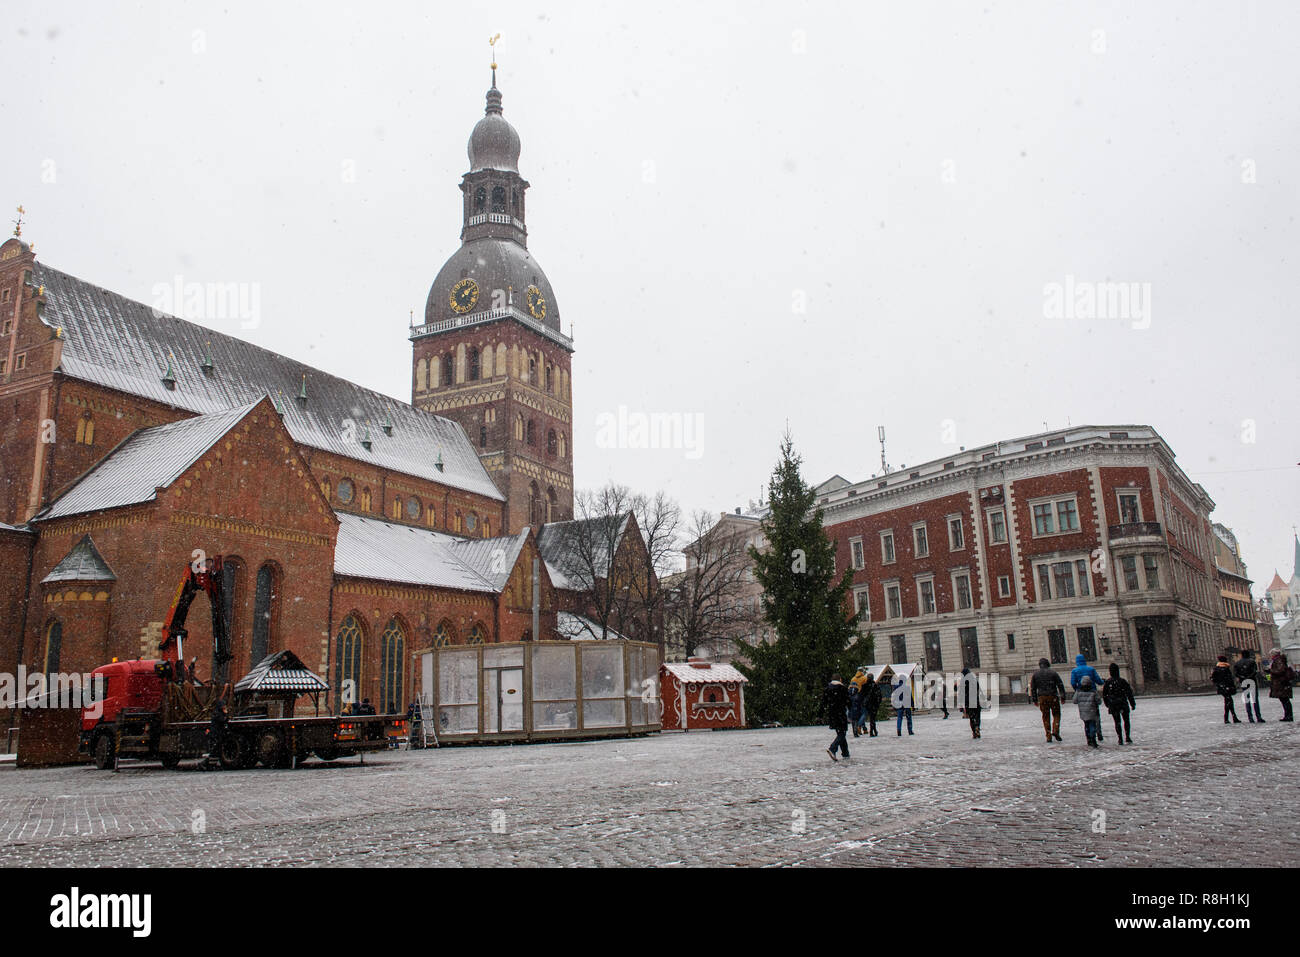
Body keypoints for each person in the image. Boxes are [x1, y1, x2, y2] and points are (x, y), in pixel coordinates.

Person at [1070, 654, 1107, 741]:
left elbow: (1072, 682)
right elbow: (1098, 680)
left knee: (1085, 716)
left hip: (1081, 694)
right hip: (1092, 693)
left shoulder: (1074, 671)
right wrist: (1102, 682)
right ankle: (1098, 732)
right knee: (1095, 715)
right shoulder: (1091, 669)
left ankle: (1089, 736)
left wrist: (1077, 689)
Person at [1030, 658, 1065, 743]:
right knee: (1056, 714)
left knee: (1045, 716)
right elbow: (1060, 685)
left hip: (1042, 697)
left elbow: (1033, 688)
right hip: (1053, 696)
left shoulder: (1036, 674)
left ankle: (1048, 735)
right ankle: (1056, 730)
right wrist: (1063, 697)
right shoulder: (1053, 672)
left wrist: (1034, 699)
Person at [1101, 662, 1137, 743]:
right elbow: (1129, 693)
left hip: (1113, 704)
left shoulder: (1108, 682)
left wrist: (1107, 704)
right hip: (1123, 703)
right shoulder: (1122, 681)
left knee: (1117, 722)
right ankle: (1127, 736)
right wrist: (1132, 703)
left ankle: (1120, 738)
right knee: (1126, 720)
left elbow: (1105, 695)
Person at [823, 674, 850, 761]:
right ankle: (833, 748)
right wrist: (851, 709)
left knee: (840, 733)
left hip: (832, 714)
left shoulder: (827, 689)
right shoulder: (843, 689)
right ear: (840, 679)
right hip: (841, 713)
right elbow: (848, 701)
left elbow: (823, 702)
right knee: (842, 733)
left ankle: (845, 753)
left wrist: (820, 715)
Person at [1233, 649, 1265, 722]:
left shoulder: (1238, 663)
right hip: (1252, 681)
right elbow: (1255, 671)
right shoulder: (1252, 661)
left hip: (1244, 682)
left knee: (1247, 700)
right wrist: (1249, 676)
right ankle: (1258, 716)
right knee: (1255, 700)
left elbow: (1236, 673)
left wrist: (1243, 677)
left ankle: (1250, 717)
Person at [1211, 655, 1241, 724]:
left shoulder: (1216, 668)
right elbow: (1229, 679)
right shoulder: (1225, 668)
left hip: (1222, 688)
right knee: (1229, 702)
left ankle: (1230, 718)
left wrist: (1218, 684)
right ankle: (1229, 718)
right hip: (1227, 687)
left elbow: (1213, 678)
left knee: (1228, 702)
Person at [1074, 676, 1102, 748]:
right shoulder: (1093, 691)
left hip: (1083, 712)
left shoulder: (1078, 691)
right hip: (1092, 711)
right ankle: (1093, 737)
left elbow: (1075, 700)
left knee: (1086, 725)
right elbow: (1099, 701)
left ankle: (1088, 739)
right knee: (1092, 725)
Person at [1269, 650, 1293, 722]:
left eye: (1271, 654)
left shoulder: (1278, 660)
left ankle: (1288, 716)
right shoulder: (1279, 660)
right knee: (1284, 700)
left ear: (1274, 654)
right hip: (1282, 683)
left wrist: (1271, 671)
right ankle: (1288, 715)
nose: (1270, 656)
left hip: (1281, 683)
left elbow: (1280, 670)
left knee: (1284, 699)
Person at [959, 667, 981, 739]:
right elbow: (978, 689)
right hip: (975, 700)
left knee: (971, 718)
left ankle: (974, 732)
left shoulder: (963, 681)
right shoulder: (974, 679)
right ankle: (977, 726)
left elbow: (961, 693)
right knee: (977, 716)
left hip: (968, 702)